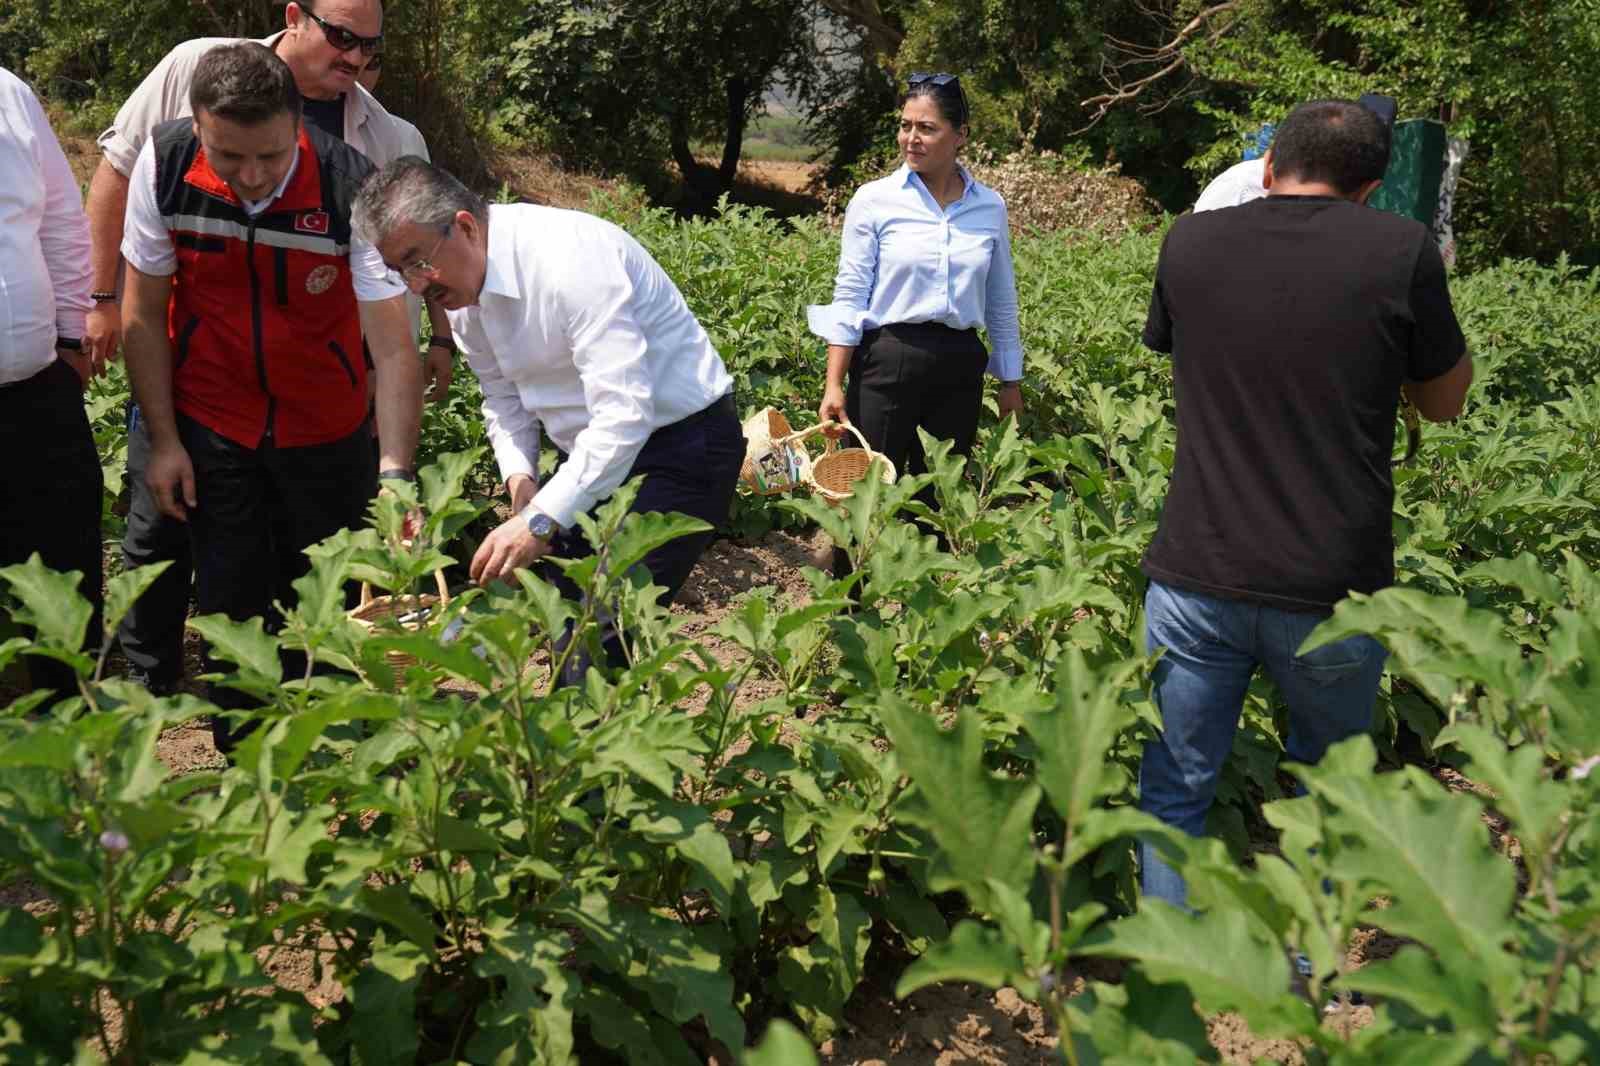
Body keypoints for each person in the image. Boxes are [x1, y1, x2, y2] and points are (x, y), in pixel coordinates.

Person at [1136, 99, 1473, 910]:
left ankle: (1167, 981)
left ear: (1267, 165)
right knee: (1330, 796)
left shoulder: (1189, 242)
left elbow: (1185, 349)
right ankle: (1308, 975)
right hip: (1335, 588)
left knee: (1174, 793)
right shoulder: (1401, 249)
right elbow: (1444, 404)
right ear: (1371, 186)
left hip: (1196, 571)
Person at [82, 0, 454, 696]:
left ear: (298, 132)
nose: (250, 177)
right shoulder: (165, 168)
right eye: (229, 156)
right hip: (216, 421)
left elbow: (392, 347)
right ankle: (237, 747)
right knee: (233, 601)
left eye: (270, 157)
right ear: (198, 129)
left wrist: (396, 469)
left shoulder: (351, 189)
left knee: (319, 596)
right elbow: (143, 314)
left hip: (326, 425)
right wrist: (164, 439)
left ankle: (323, 748)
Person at [351, 157, 745, 676]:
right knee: (551, 606)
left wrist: (539, 521)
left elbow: (625, 415)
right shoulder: (463, 291)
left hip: (682, 448)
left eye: (416, 261)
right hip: (595, 453)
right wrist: (522, 488)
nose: (416, 286)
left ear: (466, 227)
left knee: (598, 631)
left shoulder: (571, 262)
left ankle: (591, 742)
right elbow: (503, 399)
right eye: (399, 270)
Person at [807, 72, 1023, 565]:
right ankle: (851, 609)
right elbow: (850, 295)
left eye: (926, 128)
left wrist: (1010, 381)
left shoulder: (989, 207)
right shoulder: (876, 200)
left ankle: (923, 616)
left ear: (961, 134)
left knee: (940, 500)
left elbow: (1000, 299)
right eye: (905, 126)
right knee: (865, 494)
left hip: (960, 364)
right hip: (889, 357)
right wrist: (834, 384)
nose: (911, 139)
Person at [0, 66, 101, 701]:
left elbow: (62, 221)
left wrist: (69, 334)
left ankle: (74, 722)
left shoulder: (7, 93)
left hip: (38, 387)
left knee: (66, 563)